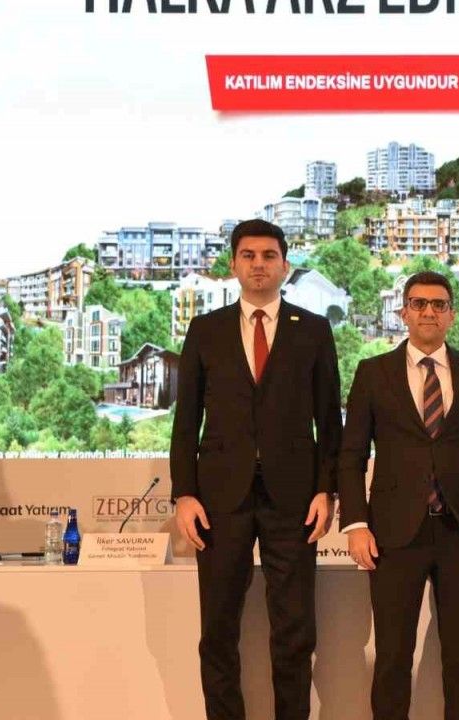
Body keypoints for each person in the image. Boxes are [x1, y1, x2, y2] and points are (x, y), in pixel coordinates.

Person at [170, 218, 341, 720]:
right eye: (249, 255)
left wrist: (327, 489)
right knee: (218, 630)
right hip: (219, 498)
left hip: (295, 498)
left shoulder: (313, 330)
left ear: (285, 265)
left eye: (269, 256)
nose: (259, 264)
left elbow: (329, 418)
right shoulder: (206, 330)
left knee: (294, 632)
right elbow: (186, 420)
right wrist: (184, 493)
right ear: (234, 265)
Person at [338, 270, 459, 720]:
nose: (428, 312)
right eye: (419, 303)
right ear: (404, 313)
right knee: (393, 657)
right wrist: (356, 523)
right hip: (393, 534)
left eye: (438, 304)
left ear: (451, 315)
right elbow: (351, 455)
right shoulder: (373, 373)